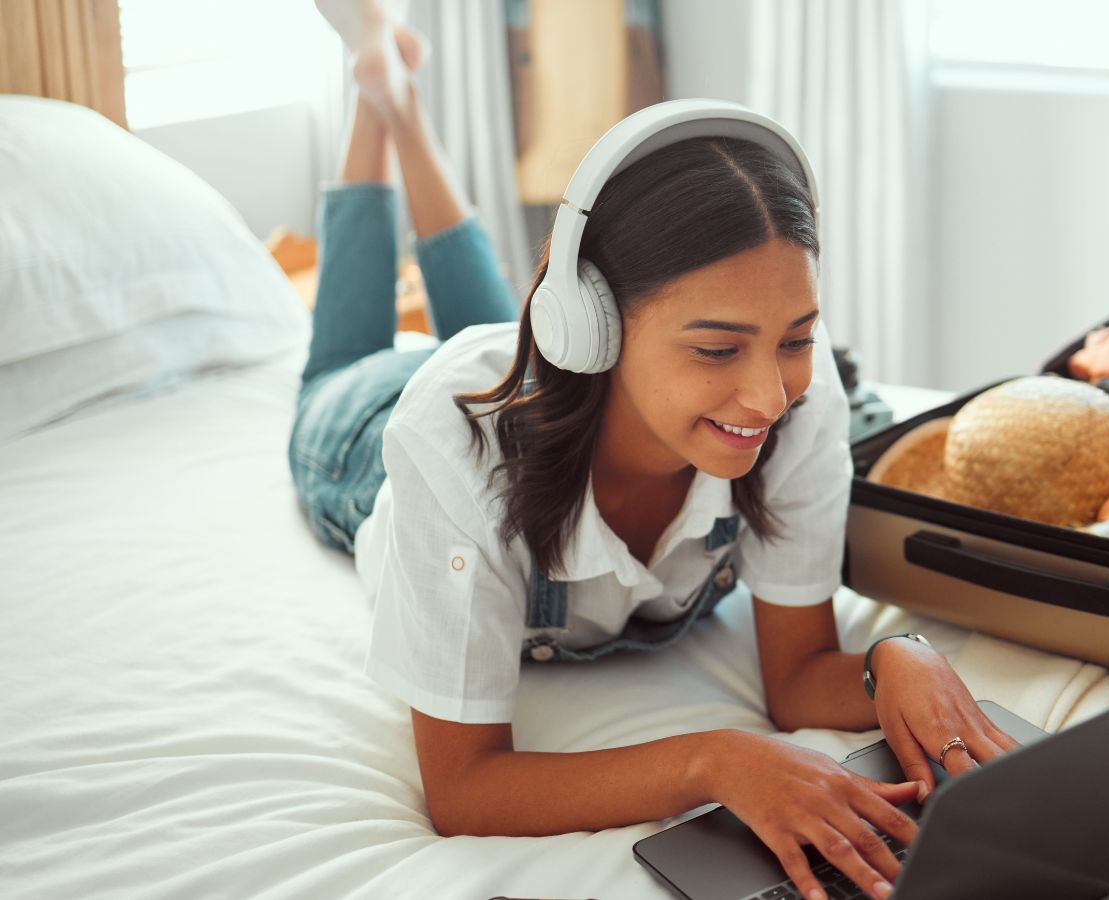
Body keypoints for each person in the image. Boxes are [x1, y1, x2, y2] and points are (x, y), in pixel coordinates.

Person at [291, 4, 1019, 899]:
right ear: (591, 328)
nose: (769, 395)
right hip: (362, 440)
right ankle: (382, 100)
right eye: (717, 349)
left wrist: (895, 657)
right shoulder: (454, 444)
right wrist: (715, 762)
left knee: (488, 315)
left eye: (794, 336)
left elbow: (793, 680)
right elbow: (464, 785)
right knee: (342, 359)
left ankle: (396, 96)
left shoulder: (797, 394)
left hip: (530, 378)